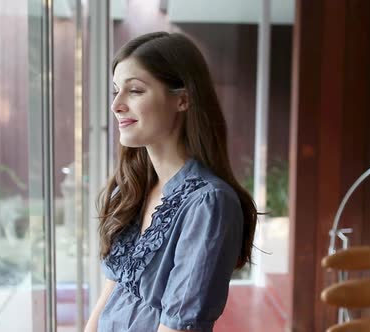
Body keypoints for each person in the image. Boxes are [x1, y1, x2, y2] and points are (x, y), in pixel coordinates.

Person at [85, 31, 257, 332]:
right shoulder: (133, 189)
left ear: (182, 99)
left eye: (135, 91)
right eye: (116, 91)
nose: (116, 105)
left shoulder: (209, 203)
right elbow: (106, 301)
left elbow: (179, 326)